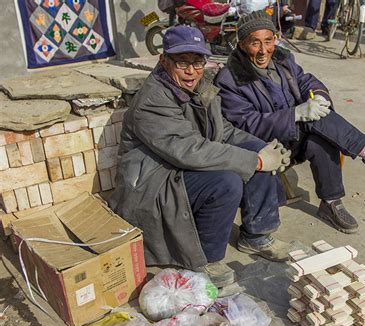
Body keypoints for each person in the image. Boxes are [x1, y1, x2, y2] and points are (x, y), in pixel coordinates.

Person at [108, 25, 291, 288]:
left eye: (198, 62)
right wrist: (257, 161)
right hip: (154, 182)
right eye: (182, 62)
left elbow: (222, 130)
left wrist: (260, 149)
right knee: (228, 180)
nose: (192, 70)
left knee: (254, 148)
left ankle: (257, 234)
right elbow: (189, 151)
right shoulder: (152, 101)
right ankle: (204, 259)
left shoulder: (200, 85)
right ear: (164, 60)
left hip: (180, 164)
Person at [215, 11, 365, 234]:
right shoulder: (229, 79)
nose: (264, 50)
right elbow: (247, 124)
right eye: (255, 43)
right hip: (264, 145)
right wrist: (294, 115)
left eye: (268, 41)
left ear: (275, 39)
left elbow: (305, 81)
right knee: (313, 122)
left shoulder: (282, 59)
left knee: (320, 135)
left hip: (292, 137)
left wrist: (319, 96)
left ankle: (331, 203)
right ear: (242, 44)